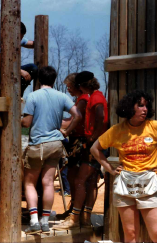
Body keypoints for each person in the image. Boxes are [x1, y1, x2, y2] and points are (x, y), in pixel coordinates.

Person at [90, 90, 157, 242]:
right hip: (125, 183)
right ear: (129, 107)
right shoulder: (117, 130)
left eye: (146, 106)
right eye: (140, 106)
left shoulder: (154, 127)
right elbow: (95, 148)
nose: (145, 109)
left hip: (150, 182)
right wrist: (110, 169)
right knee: (131, 233)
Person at [21, 66, 81, 235]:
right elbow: (78, 115)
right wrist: (67, 132)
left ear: (39, 79)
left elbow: (26, 123)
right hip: (56, 144)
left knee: (30, 182)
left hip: (38, 144)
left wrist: (17, 119)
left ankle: (33, 220)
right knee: (48, 183)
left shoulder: (33, 96)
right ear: (54, 79)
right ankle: (45, 221)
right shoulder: (62, 96)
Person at [54, 71, 108, 229]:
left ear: (81, 86)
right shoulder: (93, 96)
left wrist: (92, 139)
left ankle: (74, 219)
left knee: (80, 181)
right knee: (88, 181)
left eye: (72, 86)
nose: (70, 89)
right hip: (93, 141)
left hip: (91, 142)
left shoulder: (94, 98)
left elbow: (101, 117)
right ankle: (84, 217)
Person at [59, 73, 89, 216]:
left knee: (75, 176)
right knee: (72, 176)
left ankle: (77, 210)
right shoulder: (79, 100)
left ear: (77, 86)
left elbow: (74, 120)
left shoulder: (83, 100)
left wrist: (52, 123)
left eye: (69, 86)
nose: (68, 89)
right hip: (75, 138)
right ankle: (74, 208)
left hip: (79, 140)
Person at [20, 22, 38, 96]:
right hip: (1, 72)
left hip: (13, 70)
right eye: (20, 36)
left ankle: (20, 91)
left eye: (22, 37)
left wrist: (41, 38)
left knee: (33, 68)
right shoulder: (0, 43)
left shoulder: (19, 40)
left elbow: (31, 44)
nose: (21, 39)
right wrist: (20, 71)